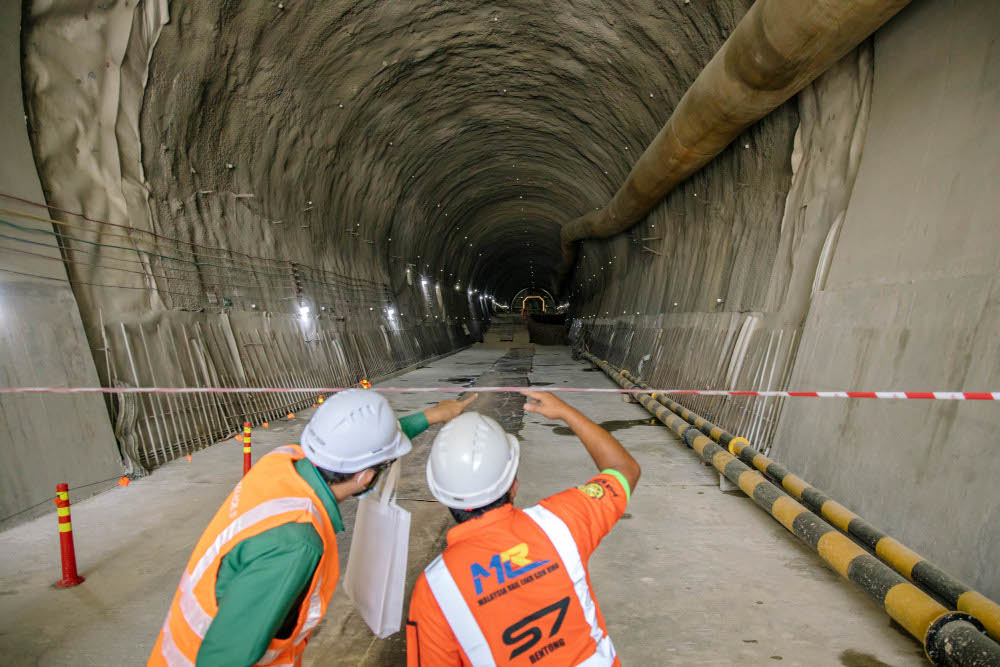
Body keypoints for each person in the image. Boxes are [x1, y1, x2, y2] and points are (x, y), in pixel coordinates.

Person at [149, 388, 477, 667]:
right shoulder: (296, 544)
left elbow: (357, 447)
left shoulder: (280, 462)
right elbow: (223, 659)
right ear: (364, 477)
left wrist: (433, 415)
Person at [406, 390, 640, 666]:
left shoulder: (435, 589)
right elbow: (623, 468)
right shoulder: (562, 522)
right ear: (513, 483)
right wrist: (566, 411)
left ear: (440, 493)